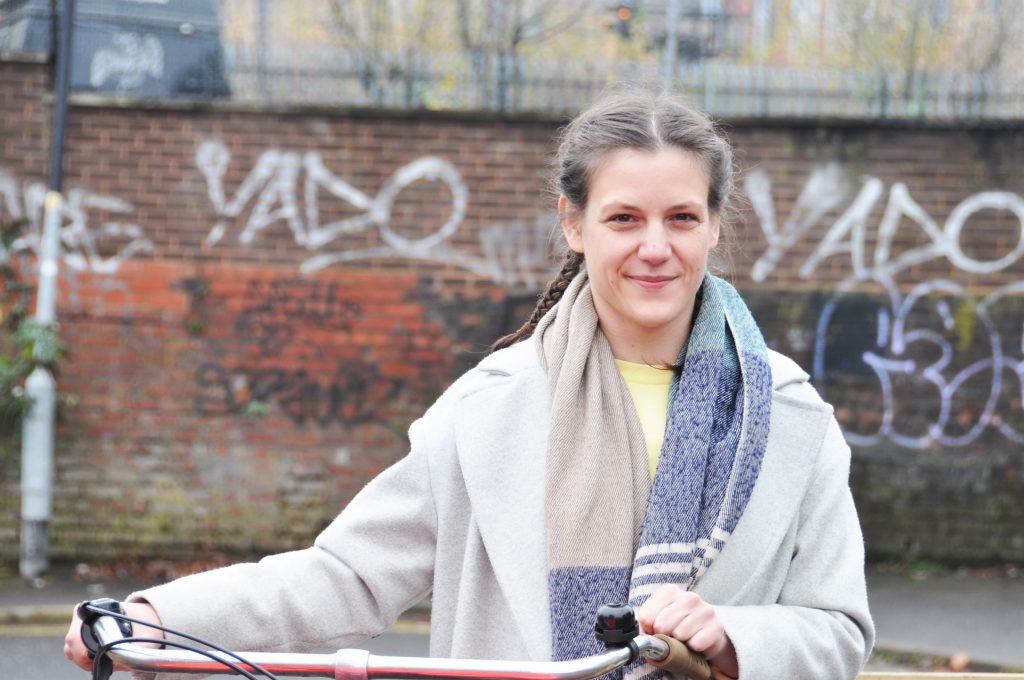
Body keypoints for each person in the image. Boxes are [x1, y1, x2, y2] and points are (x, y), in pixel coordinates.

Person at [65, 88, 874, 680]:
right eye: (624, 218)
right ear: (573, 223)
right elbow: (348, 574)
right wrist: (160, 614)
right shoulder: (495, 404)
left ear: (715, 226)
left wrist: (731, 635)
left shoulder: (789, 415)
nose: (655, 248)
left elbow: (839, 631)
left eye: (682, 218)